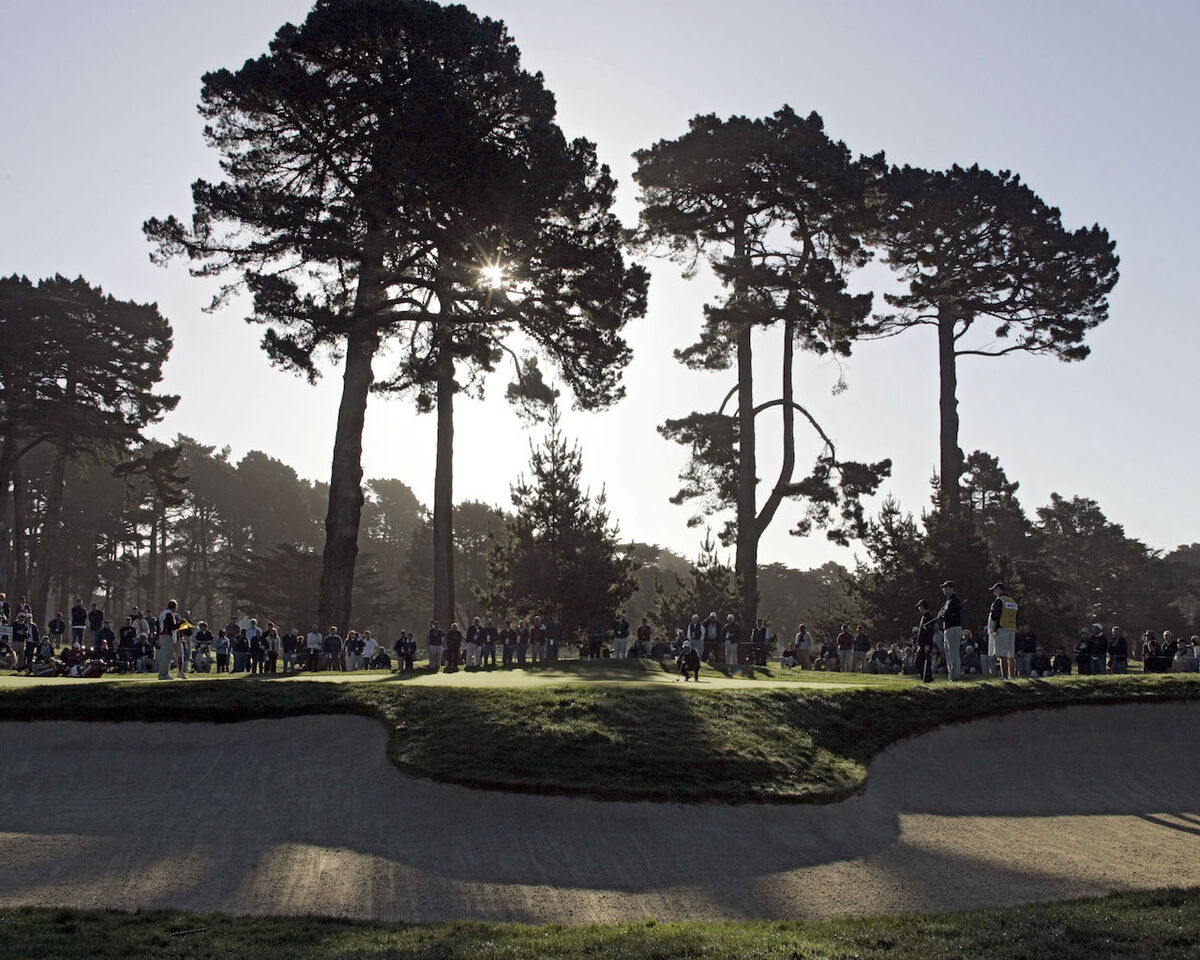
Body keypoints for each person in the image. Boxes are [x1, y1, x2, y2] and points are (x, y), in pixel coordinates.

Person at [986, 582, 1018, 679]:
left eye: (994, 590)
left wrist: (993, 629)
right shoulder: (1012, 601)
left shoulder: (999, 601)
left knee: (1002, 655)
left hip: (1002, 628)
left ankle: (1004, 677)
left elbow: (994, 616)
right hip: (1012, 628)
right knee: (1011, 655)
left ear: (999, 589)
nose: (993, 592)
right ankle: (1011, 676)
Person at [933, 581, 963, 682]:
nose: (943, 590)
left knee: (953, 653)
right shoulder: (948, 601)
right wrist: (941, 614)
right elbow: (940, 613)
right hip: (948, 629)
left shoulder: (954, 600)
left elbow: (945, 614)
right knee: (949, 654)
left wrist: (942, 614)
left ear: (951, 588)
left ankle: (955, 676)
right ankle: (951, 676)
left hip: (954, 628)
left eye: (945, 588)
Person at [157, 600, 184, 680]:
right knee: (167, 656)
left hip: (162, 636)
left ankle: (163, 674)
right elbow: (172, 627)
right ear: (174, 607)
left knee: (164, 656)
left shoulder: (163, 613)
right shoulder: (169, 614)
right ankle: (163, 674)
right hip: (167, 636)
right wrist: (180, 624)